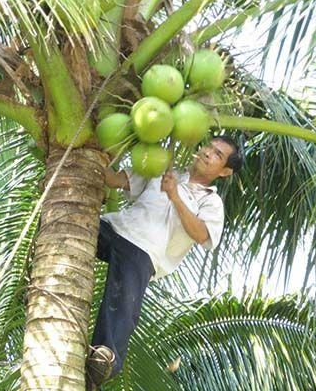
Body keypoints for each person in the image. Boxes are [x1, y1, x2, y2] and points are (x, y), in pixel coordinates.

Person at [85, 135, 243, 390]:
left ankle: (102, 364)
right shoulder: (165, 168)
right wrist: (85, 156)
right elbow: (115, 180)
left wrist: (175, 197)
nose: (206, 153)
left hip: (144, 251)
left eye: (217, 154)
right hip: (116, 228)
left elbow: (202, 234)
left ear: (225, 171)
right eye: (208, 146)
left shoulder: (211, 202)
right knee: (69, 221)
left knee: (122, 305)